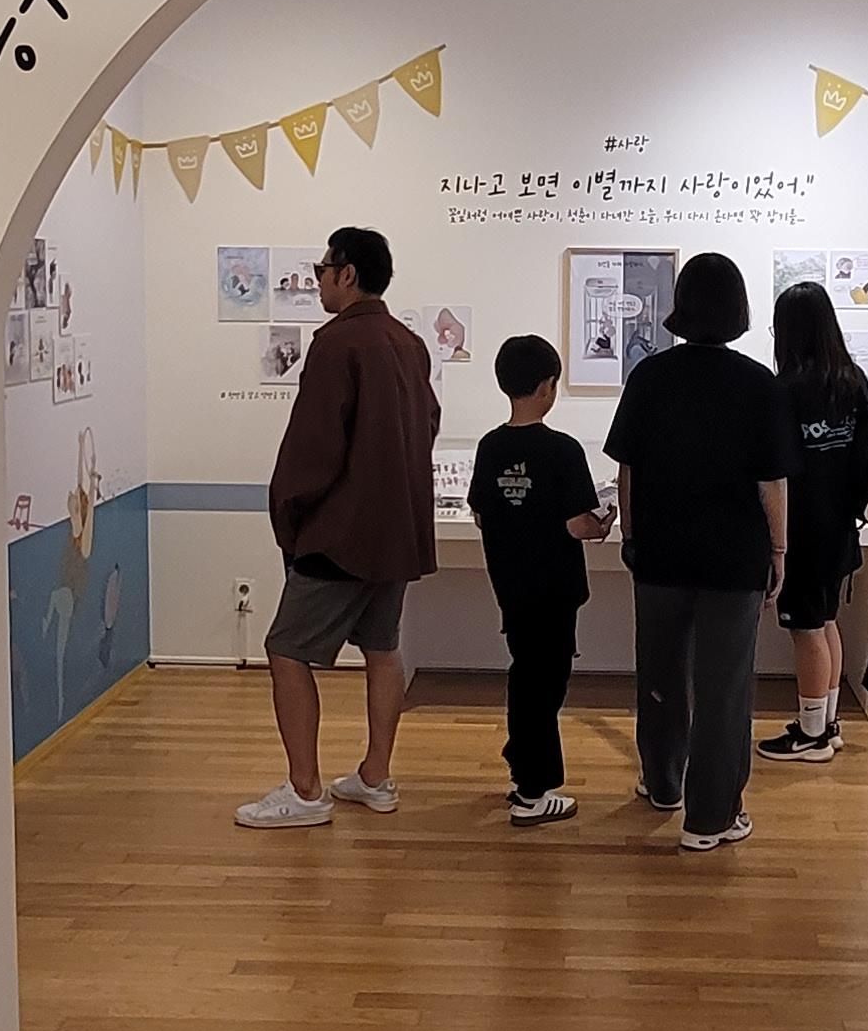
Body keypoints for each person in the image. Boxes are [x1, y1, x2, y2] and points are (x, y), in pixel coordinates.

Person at [237, 225, 440, 828]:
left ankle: (305, 791)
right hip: (396, 531)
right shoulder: (409, 343)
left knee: (285, 649)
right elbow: (428, 422)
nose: (319, 281)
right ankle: (376, 776)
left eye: (323, 270)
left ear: (347, 273)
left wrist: (289, 513)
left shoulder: (337, 344)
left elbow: (315, 445)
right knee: (383, 648)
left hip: (341, 531)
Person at [604, 251, 791, 852]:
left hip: (660, 552)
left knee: (660, 675)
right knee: (724, 689)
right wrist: (779, 550)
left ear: (680, 307)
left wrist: (631, 537)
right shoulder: (758, 383)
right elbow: (771, 482)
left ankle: (663, 784)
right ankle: (711, 819)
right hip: (735, 558)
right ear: (739, 310)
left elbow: (627, 469)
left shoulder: (649, 377)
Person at [467, 334, 612, 823]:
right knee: (545, 685)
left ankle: (522, 769)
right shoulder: (562, 450)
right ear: (548, 386)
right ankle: (534, 790)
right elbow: (578, 525)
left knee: (526, 674)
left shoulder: (490, 446)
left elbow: (482, 514)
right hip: (555, 588)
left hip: (511, 585)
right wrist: (605, 521)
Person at [760, 280, 868, 762]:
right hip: (841, 523)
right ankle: (827, 723)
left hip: (802, 529)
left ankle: (812, 734)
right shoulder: (851, 380)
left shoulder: (784, 391)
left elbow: (773, 468)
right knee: (827, 621)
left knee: (807, 628)